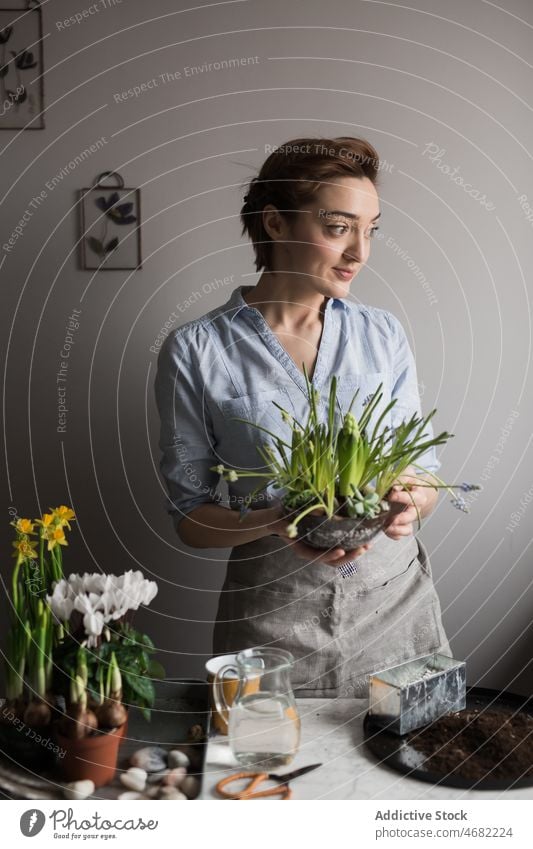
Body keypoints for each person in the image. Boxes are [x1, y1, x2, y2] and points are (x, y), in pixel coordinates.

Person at [154, 136, 452, 699]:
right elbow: (190, 515)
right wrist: (274, 522)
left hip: (393, 603)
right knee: (270, 773)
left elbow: (425, 470)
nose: (360, 252)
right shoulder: (196, 350)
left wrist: (416, 499)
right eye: (339, 227)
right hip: (270, 618)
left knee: (410, 773)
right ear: (275, 223)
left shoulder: (381, 334)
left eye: (371, 229)